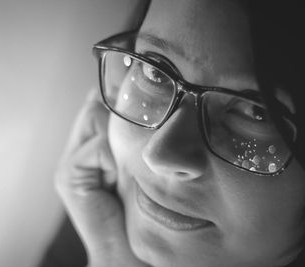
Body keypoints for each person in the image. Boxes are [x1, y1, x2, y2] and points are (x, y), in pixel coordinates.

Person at [50, 0, 305, 266]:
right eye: (155, 71)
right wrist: (108, 248)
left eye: (257, 112)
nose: (159, 156)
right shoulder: (99, 209)